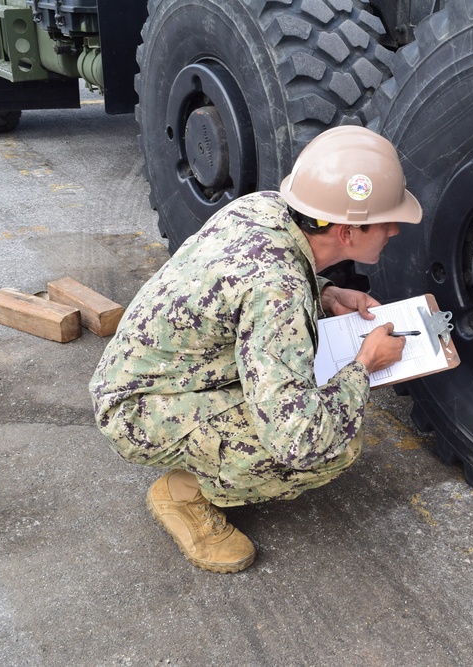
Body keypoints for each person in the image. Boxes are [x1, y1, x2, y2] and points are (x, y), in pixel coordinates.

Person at [89, 126, 423, 573]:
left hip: (160, 375)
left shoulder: (265, 207)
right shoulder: (277, 289)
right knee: (333, 446)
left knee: (309, 383)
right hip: (138, 412)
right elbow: (300, 440)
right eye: (386, 220)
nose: (396, 229)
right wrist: (364, 366)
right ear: (347, 232)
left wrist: (324, 294)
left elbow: (244, 288)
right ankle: (185, 492)